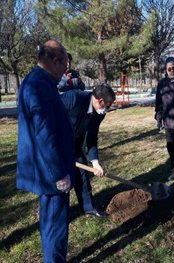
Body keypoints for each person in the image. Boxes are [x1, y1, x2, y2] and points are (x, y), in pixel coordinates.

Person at [16, 40, 75, 262]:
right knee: (55, 226)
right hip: (51, 171)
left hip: (47, 168)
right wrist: (59, 173)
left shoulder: (38, 81)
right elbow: (44, 135)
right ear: (54, 60)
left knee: (51, 222)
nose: (65, 71)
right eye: (64, 65)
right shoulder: (38, 85)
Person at [60, 84, 116, 218]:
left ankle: (88, 208)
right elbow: (50, 116)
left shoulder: (99, 114)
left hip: (75, 146)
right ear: (100, 100)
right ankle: (60, 213)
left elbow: (91, 138)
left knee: (82, 176)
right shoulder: (74, 98)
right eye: (107, 105)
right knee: (61, 181)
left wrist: (95, 162)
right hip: (57, 146)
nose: (107, 109)